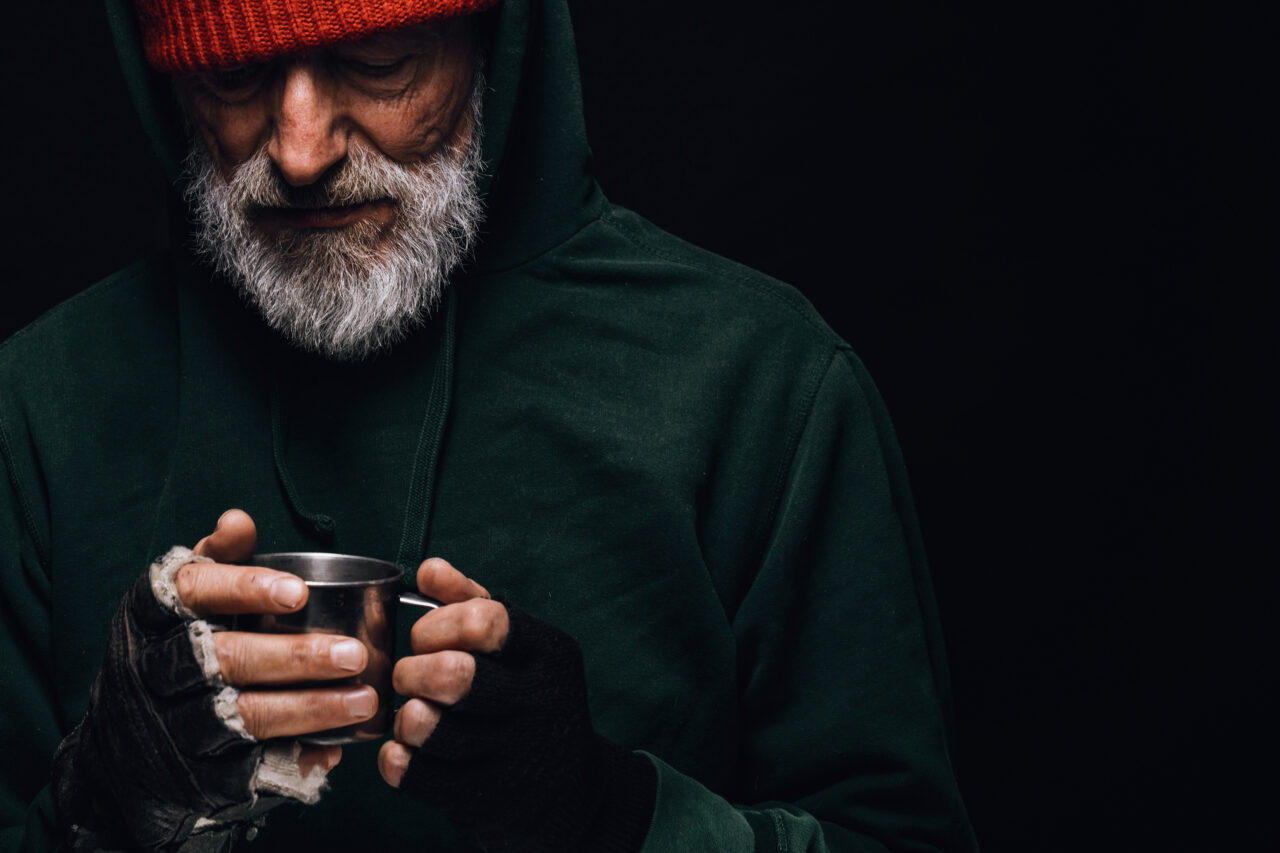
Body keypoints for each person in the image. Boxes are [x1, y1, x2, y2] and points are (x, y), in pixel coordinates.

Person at [0, 0, 979, 850]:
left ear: (493, 43)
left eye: (378, 58)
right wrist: (107, 805)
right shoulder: (42, 403)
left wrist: (608, 817)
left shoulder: (759, 382)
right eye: (231, 70)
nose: (297, 150)